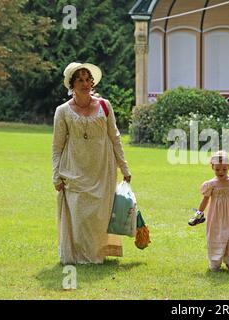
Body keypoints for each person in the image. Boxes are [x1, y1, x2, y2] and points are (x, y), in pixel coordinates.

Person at [52, 62, 131, 265]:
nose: (85, 84)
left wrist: (124, 166)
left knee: (98, 215)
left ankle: (96, 255)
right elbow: (57, 146)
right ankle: (78, 256)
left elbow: (115, 137)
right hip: (73, 168)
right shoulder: (62, 111)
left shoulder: (104, 106)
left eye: (88, 79)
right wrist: (56, 175)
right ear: (72, 84)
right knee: (79, 214)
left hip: (102, 168)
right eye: (80, 80)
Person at [194, 150, 229, 272]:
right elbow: (205, 200)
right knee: (217, 236)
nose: (221, 172)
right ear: (212, 167)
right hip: (216, 216)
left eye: (224, 169)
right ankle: (215, 263)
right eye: (217, 169)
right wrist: (199, 213)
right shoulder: (211, 184)